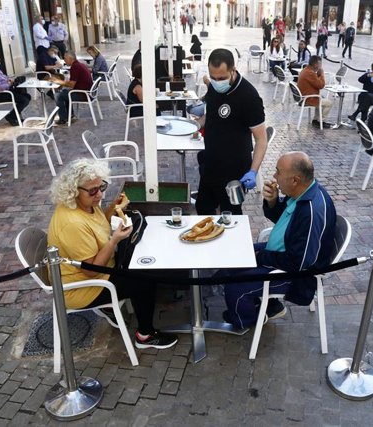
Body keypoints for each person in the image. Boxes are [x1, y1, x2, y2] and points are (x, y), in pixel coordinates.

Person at [48, 159, 178, 349]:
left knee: (141, 264)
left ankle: (113, 306)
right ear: (74, 191)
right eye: (93, 190)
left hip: (97, 270)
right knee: (144, 279)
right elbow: (91, 270)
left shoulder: (84, 205)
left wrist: (114, 208)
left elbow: (99, 225)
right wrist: (114, 240)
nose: (99, 194)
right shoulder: (72, 223)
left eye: (101, 187)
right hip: (82, 287)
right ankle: (145, 336)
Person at [221, 152, 337, 330]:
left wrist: (263, 257)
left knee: (234, 287)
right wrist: (273, 201)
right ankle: (271, 305)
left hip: (296, 275)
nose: (274, 176)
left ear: (295, 180)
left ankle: (246, 320)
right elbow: (287, 224)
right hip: (280, 253)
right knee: (235, 258)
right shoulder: (303, 192)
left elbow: (299, 263)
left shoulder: (311, 212)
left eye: (278, 172)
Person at [194, 49, 267, 215]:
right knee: (203, 208)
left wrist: (253, 171)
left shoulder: (249, 96)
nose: (217, 81)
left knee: (231, 213)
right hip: (212, 162)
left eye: (221, 78)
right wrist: (197, 124)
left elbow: (261, 139)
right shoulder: (214, 86)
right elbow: (211, 113)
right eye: (213, 77)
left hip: (234, 169)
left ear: (233, 70)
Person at [50, 51, 93, 125]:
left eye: (65, 58)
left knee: (58, 95)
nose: (64, 60)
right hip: (89, 92)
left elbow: (71, 85)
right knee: (65, 92)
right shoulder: (80, 64)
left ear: (70, 58)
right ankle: (70, 114)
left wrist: (58, 81)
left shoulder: (75, 67)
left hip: (84, 94)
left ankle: (63, 119)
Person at [297, 55, 333, 129]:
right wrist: (322, 74)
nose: (321, 66)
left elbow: (314, 81)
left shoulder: (305, 70)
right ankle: (321, 122)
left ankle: (316, 120)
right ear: (316, 64)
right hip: (307, 99)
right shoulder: (310, 73)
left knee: (320, 99)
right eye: (320, 64)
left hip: (303, 97)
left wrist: (318, 75)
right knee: (329, 103)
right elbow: (321, 85)